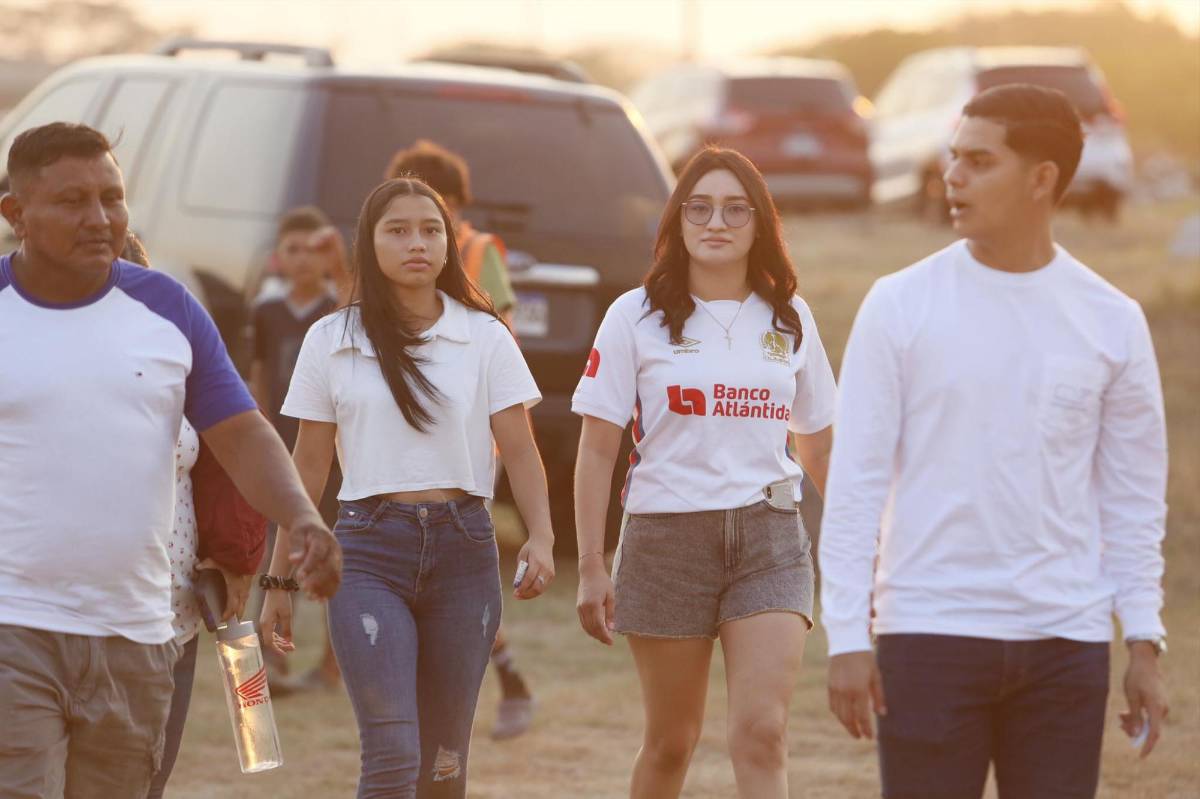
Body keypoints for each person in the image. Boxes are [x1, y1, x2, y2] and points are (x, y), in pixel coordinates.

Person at [820, 84, 1170, 799]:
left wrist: (1143, 639)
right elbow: (855, 484)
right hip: (928, 635)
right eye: (953, 157)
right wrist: (847, 635)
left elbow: (1133, 501)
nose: (951, 176)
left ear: (1042, 178)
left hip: (1066, 645)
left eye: (979, 161)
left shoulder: (1111, 320)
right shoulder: (899, 304)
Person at [0, 122, 340, 799]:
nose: (100, 217)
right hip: (15, 628)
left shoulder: (168, 309)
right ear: (16, 213)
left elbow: (242, 434)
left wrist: (302, 517)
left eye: (112, 197)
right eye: (72, 201)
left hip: (138, 636)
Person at [259, 177, 555, 797]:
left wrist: (542, 538)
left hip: (465, 551)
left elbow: (521, 449)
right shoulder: (331, 339)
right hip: (367, 552)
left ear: (448, 243)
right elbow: (306, 466)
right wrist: (279, 579)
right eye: (397, 230)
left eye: (430, 230)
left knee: (445, 765)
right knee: (393, 753)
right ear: (368, 243)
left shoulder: (484, 335)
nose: (416, 243)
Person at [573, 147, 836, 799]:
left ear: (760, 222)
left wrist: (864, 547)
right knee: (671, 742)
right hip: (665, 540)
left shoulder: (791, 316)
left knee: (763, 732)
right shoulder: (633, 314)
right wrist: (590, 564)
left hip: (771, 538)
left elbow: (820, 446)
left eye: (735, 209)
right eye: (700, 207)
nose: (716, 222)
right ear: (678, 218)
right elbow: (598, 449)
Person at [386, 139, 532, 739]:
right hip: (405, 431)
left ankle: (504, 678)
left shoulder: (476, 251)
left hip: (468, 436)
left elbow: (504, 340)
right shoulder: (389, 259)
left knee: (457, 569)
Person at [117, 231, 269, 799]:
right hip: (56, 620)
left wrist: (237, 557)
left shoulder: (183, 363)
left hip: (170, 613)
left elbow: (233, 456)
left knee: (146, 780)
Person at [249, 205, 343, 694]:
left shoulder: (338, 309)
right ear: (278, 258)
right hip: (283, 453)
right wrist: (260, 434)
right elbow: (259, 375)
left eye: (313, 249)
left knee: (333, 553)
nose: (303, 259)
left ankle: (333, 665)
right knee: (279, 551)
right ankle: (272, 659)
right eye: (293, 250)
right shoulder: (267, 312)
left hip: (330, 457)